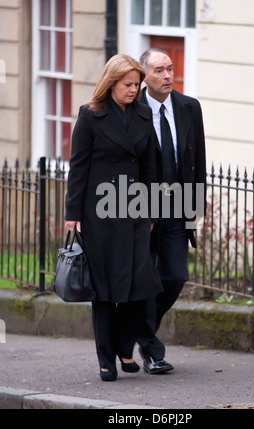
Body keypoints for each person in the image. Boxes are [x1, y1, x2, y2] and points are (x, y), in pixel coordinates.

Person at [64, 54, 162, 382]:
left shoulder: (144, 114)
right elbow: (78, 167)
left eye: (137, 84)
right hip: (99, 215)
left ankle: (124, 347)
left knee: (141, 286)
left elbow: (150, 168)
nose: (134, 90)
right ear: (112, 83)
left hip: (134, 211)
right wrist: (72, 213)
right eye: (128, 85)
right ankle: (106, 359)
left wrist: (150, 210)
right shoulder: (90, 116)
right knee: (104, 291)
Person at [138, 48, 207, 374]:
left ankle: (140, 331)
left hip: (178, 207)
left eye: (170, 69)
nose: (167, 76)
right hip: (141, 210)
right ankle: (152, 350)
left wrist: (195, 209)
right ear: (144, 76)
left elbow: (199, 162)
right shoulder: (130, 107)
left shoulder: (189, 107)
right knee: (145, 280)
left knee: (176, 276)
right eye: (159, 70)